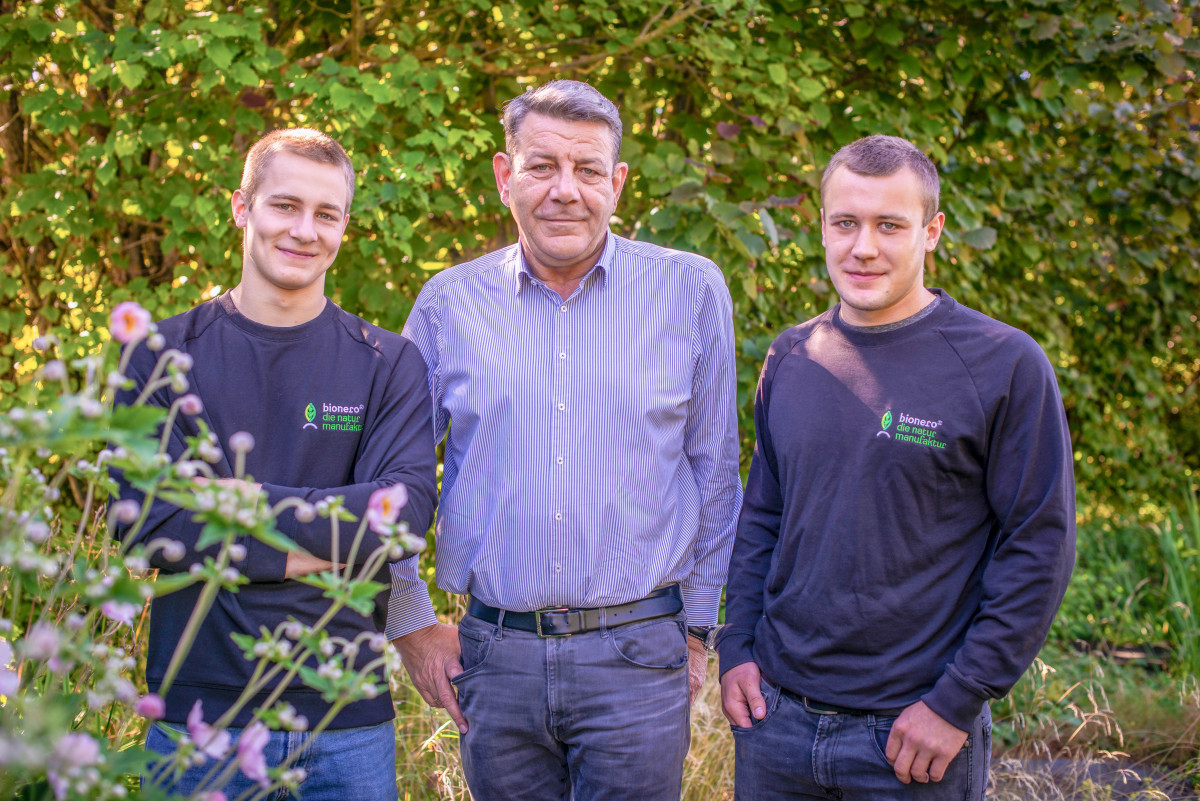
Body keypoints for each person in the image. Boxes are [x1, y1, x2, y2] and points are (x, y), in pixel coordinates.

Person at [386, 80, 741, 801]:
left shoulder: (691, 291)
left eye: (587, 170)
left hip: (639, 653)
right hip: (495, 653)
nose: (564, 191)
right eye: (542, 165)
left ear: (617, 182)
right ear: (503, 175)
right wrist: (411, 623)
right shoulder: (447, 304)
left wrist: (698, 630)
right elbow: (391, 478)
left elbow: (715, 468)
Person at [718, 134, 1076, 800]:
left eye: (890, 224)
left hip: (912, 739)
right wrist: (735, 645)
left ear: (932, 231)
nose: (863, 246)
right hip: (777, 724)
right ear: (821, 226)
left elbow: (1041, 546)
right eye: (845, 222)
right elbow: (764, 515)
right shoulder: (794, 355)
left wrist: (957, 701)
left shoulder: (1004, 365)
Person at [114, 128, 437, 801]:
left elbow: (402, 520)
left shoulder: (388, 363)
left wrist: (234, 503)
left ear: (345, 226)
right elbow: (148, 522)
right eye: (284, 206)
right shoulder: (160, 353)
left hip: (347, 727)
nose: (304, 230)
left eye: (327, 214)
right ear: (242, 208)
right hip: (199, 720)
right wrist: (338, 534)